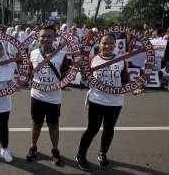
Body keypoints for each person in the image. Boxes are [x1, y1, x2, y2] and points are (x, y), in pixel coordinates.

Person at [75, 34, 141, 171]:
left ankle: (102, 153)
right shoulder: (93, 59)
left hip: (115, 101)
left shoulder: (120, 60)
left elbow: (125, 80)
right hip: (97, 100)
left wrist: (133, 90)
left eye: (111, 43)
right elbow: (85, 79)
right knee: (92, 129)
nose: (107, 46)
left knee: (109, 129)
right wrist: (81, 67)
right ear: (99, 44)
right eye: (104, 43)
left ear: (115, 45)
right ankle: (81, 155)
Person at [26, 25, 70, 165]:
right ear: (38, 38)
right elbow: (28, 73)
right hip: (37, 96)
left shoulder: (62, 55)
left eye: (49, 36)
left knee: (53, 125)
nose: (45, 39)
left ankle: (55, 150)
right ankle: (33, 147)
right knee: (36, 124)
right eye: (43, 36)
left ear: (55, 38)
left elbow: (65, 76)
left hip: (54, 97)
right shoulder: (32, 53)